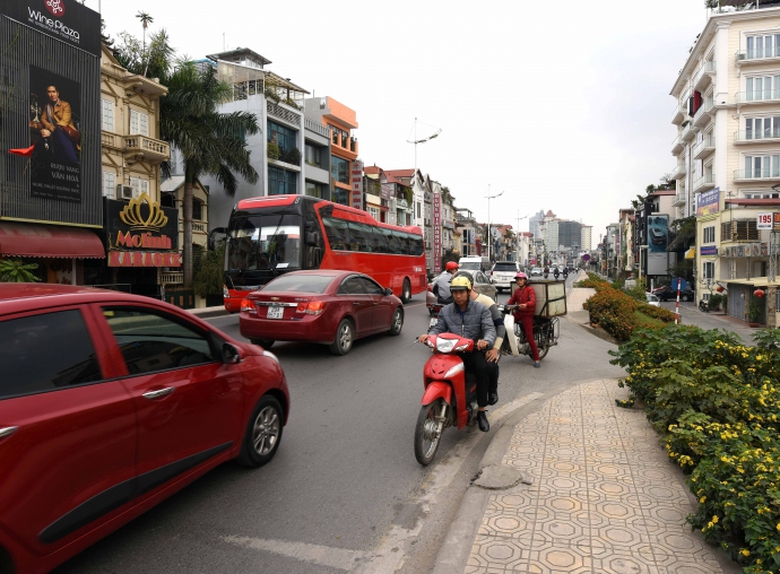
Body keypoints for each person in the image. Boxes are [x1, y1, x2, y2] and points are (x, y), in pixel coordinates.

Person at [418, 275, 496, 432]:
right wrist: (429, 336)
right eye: (455, 292)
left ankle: (481, 411)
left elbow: (489, 329)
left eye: (461, 292)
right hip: (452, 351)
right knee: (435, 368)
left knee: (482, 368)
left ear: (468, 291)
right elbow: (438, 328)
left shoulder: (481, 309)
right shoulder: (446, 310)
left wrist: (486, 341)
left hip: (473, 350)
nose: (458, 296)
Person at [33, 85, 80, 164]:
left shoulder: (65, 105)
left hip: (67, 134)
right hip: (57, 134)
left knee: (58, 131)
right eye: (49, 92)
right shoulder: (47, 106)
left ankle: (74, 161)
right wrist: (49, 126)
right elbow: (43, 119)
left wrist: (50, 132)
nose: (52, 94)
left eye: (54, 92)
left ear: (58, 93)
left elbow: (64, 123)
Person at [507, 271, 541, 368]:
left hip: (527, 314)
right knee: (506, 323)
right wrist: (504, 305)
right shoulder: (517, 291)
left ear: (525, 280)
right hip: (518, 313)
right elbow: (511, 301)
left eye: (520, 280)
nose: (519, 282)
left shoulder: (530, 289)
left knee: (530, 337)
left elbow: (533, 301)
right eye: (517, 280)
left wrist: (526, 305)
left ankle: (537, 359)